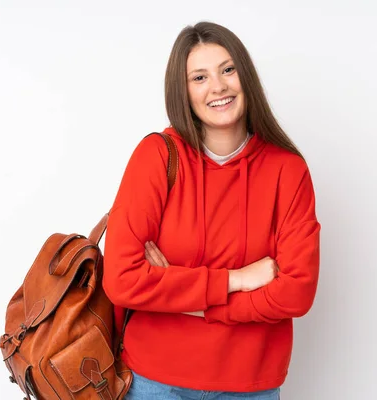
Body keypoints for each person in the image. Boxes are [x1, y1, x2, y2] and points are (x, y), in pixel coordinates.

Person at [103, 21, 321, 400]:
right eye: (199, 77)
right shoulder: (157, 157)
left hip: (250, 384)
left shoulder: (288, 170)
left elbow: (296, 293)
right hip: (154, 382)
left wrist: (188, 301)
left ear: (245, 77)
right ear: (183, 91)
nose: (218, 87)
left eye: (228, 70)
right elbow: (121, 279)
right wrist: (236, 280)